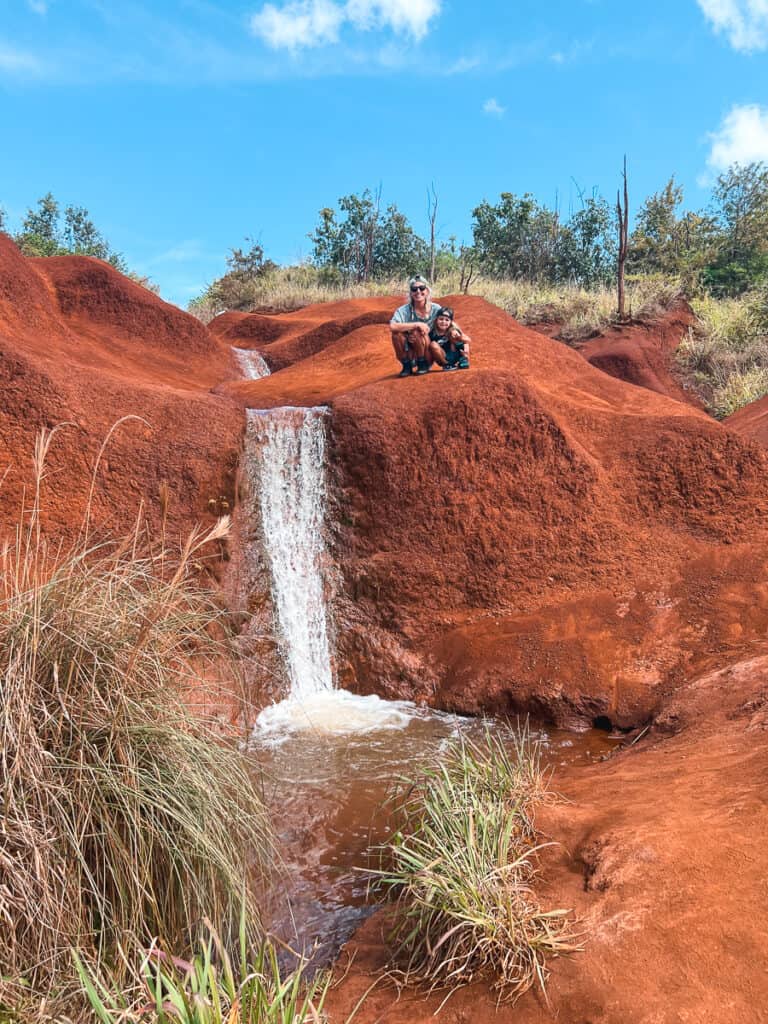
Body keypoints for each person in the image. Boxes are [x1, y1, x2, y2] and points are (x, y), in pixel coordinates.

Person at [389, 275, 444, 377]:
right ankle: (407, 366)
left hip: (428, 351)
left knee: (417, 332)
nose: (418, 291)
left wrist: (463, 345)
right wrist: (416, 324)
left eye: (422, 288)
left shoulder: (436, 309)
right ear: (410, 293)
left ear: (427, 291)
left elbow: (449, 326)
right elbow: (392, 326)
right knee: (396, 334)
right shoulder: (404, 310)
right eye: (414, 289)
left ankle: (422, 363)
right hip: (410, 351)